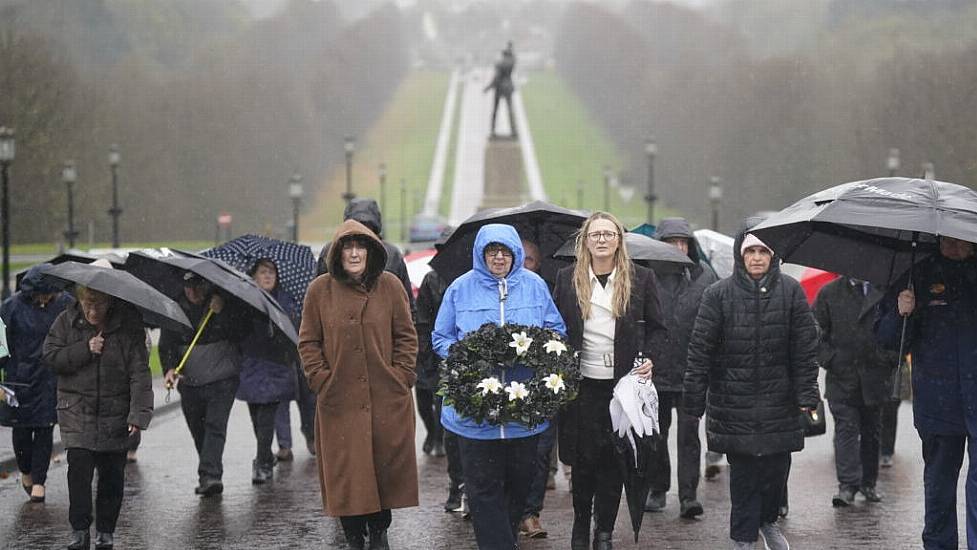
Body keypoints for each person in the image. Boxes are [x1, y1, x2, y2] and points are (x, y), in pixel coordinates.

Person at [684, 229, 819, 550]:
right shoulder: (718, 294)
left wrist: (807, 394)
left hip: (779, 402)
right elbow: (700, 349)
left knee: (776, 470)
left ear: (773, 257)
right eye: (750, 252)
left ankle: (768, 521)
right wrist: (693, 398)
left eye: (763, 252)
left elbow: (804, 349)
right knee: (743, 475)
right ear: (740, 256)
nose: (756, 258)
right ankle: (742, 537)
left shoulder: (791, 291)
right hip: (734, 402)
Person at [433, 223, 565, 550]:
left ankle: (502, 540)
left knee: (519, 486)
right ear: (481, 253)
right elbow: (441, 337)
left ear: (515, 254)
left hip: (523, 414)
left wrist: (539, 351)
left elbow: (556, 330)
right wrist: (468, 355)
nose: (498, 257)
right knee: (482, 489)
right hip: (475, 416)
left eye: (504, 251)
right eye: (492, 251)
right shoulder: (460, 289)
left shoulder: (535, 286)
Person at [299, 219, 419, 550]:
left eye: (360, 246)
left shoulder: (391, 286)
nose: (354, 253)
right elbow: (308, 341)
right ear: (337, 253)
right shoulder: (319, 291)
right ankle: (353, 535)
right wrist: (321, 379)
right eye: (347, 247)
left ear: (371, 250)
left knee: (384, 470)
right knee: (346, 474)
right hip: (339, 401)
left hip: (386, 398)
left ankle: (380, 531)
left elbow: (406, 336)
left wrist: (402, 375)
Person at [554, 212, 666, 550]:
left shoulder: (641, 278)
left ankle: (604, 531)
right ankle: (579, 527)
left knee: (614, 461)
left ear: (619, 240)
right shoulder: (566, 278)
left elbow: (660, 329)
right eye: (595, 235)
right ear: (585, 241)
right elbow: (555, 329)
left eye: (608, 234)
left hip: (621, 389)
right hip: (582, 385)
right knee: (583, 460)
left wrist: (649, 358)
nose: (602, 240)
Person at [876, 236, 977, 549]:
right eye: (947, 238)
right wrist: (900, 311)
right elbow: (888, 340)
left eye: (961, 239)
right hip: (937, 402)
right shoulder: (917, 274)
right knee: (939, 486)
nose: (953, 244)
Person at [43, 287, 153, 550]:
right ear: (79, 300)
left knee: (112, 477)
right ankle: (79, 531)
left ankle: (105, 531)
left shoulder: (129, 327)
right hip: (76, 411)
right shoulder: (65, 322)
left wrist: (138, 415)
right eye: (87, 305)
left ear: (110, 301)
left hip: (115, 413)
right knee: (78, 472)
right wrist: (85, 348)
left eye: (99, 306)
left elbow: (140, 373)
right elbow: (50, 357)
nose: (92, 312)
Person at [645, 218, 718, 518]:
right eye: (672, 242)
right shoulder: (645, 277)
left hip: (692, 371)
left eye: (683, 242)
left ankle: (688, 495)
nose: (678, 247)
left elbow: (716, 322)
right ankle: (658, 488)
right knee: (656, 435)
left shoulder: (705, 277)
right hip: (655, 370)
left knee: (690, 436)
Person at [160, 273, 250, 496]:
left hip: (222, 379)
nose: (193, 292)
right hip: (190, 381)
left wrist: (222, 315)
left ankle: (210, 474)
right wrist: (169, 369)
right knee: (198, 427)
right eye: (189, 286)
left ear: (207, 284)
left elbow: (241, 333)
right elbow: (166, 344)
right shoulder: (174, 307)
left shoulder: (224, 302)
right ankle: (209, 470)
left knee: (215, 425)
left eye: (198, 285)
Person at [814, 277, 897, 507]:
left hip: (875, 377)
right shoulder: (829, 293)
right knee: (846, 430)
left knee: (872, 432)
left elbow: (899, 330)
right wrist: (830, 359)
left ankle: (868, 482)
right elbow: (814, 331)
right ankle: (847, 485)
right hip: (842, 378)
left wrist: (887, 359)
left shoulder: (886, 291)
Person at [0, 264, 73, 503]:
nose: (47, 300)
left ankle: (40, 480)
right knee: (21, 429)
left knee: (45, 427)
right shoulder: (10, 308)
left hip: (50, 377)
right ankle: (26, 470)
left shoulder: (64, 305)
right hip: (18, 380)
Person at [236, 259, 299, 483]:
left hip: (277, 365)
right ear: (253, 276)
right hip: (252, 364)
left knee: (267, 414)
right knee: (257, 415)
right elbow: (236, 330)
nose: (268, 276)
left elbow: (295, 328)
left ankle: (262, 464)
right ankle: (264, 454)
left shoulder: (285, 300)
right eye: (263, 272)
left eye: (272, 272)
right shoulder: (244, 300)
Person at [518, 237, 559, 539]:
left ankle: (531, 512)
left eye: (529, 259)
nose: (522, 264)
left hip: (541, 381)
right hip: (508, 383)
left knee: (541, 451)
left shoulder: (552, 287)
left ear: (539, 262)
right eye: (518, 257)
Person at [484, 42, 517, 138]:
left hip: (500, 87)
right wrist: (510, 48)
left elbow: (496, 78)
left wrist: (489, 87)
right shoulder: (511, 62)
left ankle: (493, 130)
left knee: (495, 109)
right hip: (508, 86)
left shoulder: (500, 64)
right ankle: (513, 130)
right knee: (510, 109)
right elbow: (513, 58)